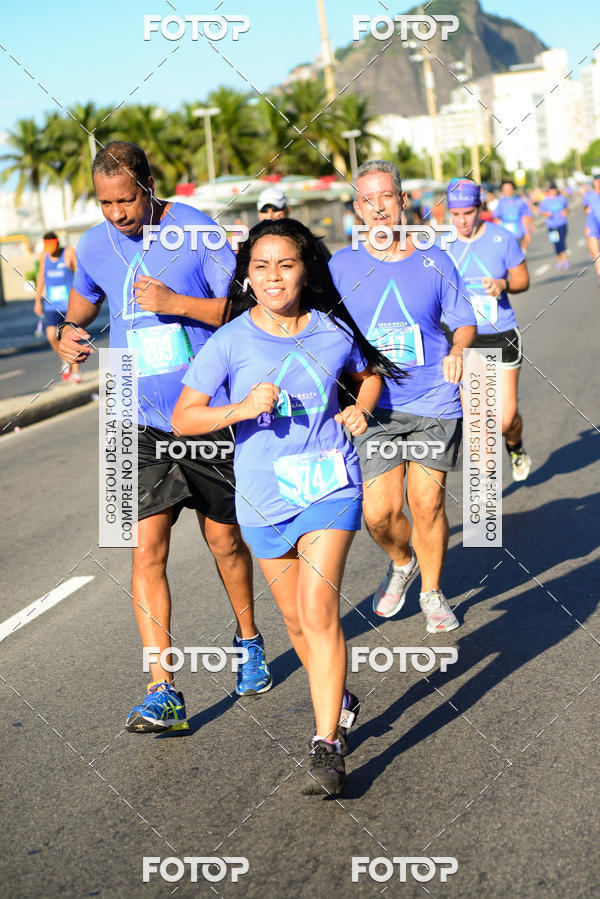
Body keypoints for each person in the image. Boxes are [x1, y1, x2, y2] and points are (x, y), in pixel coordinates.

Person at [172, 218, 403, 796]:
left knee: (320, 610)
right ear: (247, 276)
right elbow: (184, 417)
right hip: (261, 500)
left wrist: (361, 409)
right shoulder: (228, 340)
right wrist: (242, 408)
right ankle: (340, 696)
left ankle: (326, 743)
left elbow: (368, 373)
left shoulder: (331, 330)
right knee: (297, 622)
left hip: (328, 488)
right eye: (261, 266)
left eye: (287, 264)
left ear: (305, 270)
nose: (274, 277)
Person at [57, 141, 271, 732]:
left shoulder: (195, 230)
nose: (118, 214)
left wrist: (177, 302)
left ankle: (248, 640)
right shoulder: (94, 243)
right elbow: (83, 303)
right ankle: (163, 689)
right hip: (136, 418)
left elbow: (241, 309)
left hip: (204, 412)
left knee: (225, 544)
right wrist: (68, 333)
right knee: (146, 550)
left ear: (150, 187)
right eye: (105, 203)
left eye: (126, 200)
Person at [329, 160, 477, 631]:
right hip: (375, 405)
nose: (378, 209)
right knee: (379, 513)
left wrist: (457, 348)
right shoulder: (341, 265)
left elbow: (465, 321)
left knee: (427, 503)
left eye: (386, 198)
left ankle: (432, 592)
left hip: (433, 398)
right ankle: (401, 561)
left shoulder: (435, 259)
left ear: (403, 200)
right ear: (357, 208)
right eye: (368, 201)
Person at [444, 178, 532, 482]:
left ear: (480, 208)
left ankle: (515, 445)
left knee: (505, 420)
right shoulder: (441, 243)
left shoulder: (502, 238)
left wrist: (503, 284)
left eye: (468, 213)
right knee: (478, 421)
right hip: (461, 339)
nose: (462, 221)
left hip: (501, 333)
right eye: (455, 215)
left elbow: (523, 280)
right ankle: (485, 499)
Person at [34, 232, 79, 381]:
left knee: (71, 337)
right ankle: (65, 360)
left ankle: (76, 372)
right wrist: (37, 300)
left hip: (69, 304)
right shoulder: (44, 256)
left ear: (58, 243)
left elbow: (80, 273)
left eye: (52, 247)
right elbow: (41, 277)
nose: (51, 250)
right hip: (51, 306)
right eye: (48, 247)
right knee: (51, 335)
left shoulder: (69, 253)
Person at [257, 185, 331, 261]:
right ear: (258, 214)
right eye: (264, 210)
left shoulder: (306, 239)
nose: (270, 215)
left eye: (275, 209)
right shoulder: (251, 242)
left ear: (287, 210)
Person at [494, 180, 534, 252]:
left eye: (509, 189)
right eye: (505, 190)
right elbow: (497, 218)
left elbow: (525, 218)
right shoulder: (501, 202)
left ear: (513, 189)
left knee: (521, 255)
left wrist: (527, 233)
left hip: (519, 233)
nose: (508, 192)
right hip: (506, 235)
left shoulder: (520, 201)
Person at [539, 184, 569, 269]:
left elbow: (566, 207)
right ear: (549, 191)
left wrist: (565, 211)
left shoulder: (562, 198)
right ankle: (559, 260)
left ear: (556, 190)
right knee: (556, 243)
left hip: (562, 223)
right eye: (551, 190)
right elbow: (541, 211)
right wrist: (546, 214)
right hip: (551, 225)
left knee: (562, 241)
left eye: (554, 189)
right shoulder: (545, 201)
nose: (553, 191)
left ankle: (565, 260)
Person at [583, 175, 600, 285]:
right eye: (597, 181)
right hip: (594, 226)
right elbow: (585, 209)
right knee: (596, 253)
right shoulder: (589, 196)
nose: (598, 183)